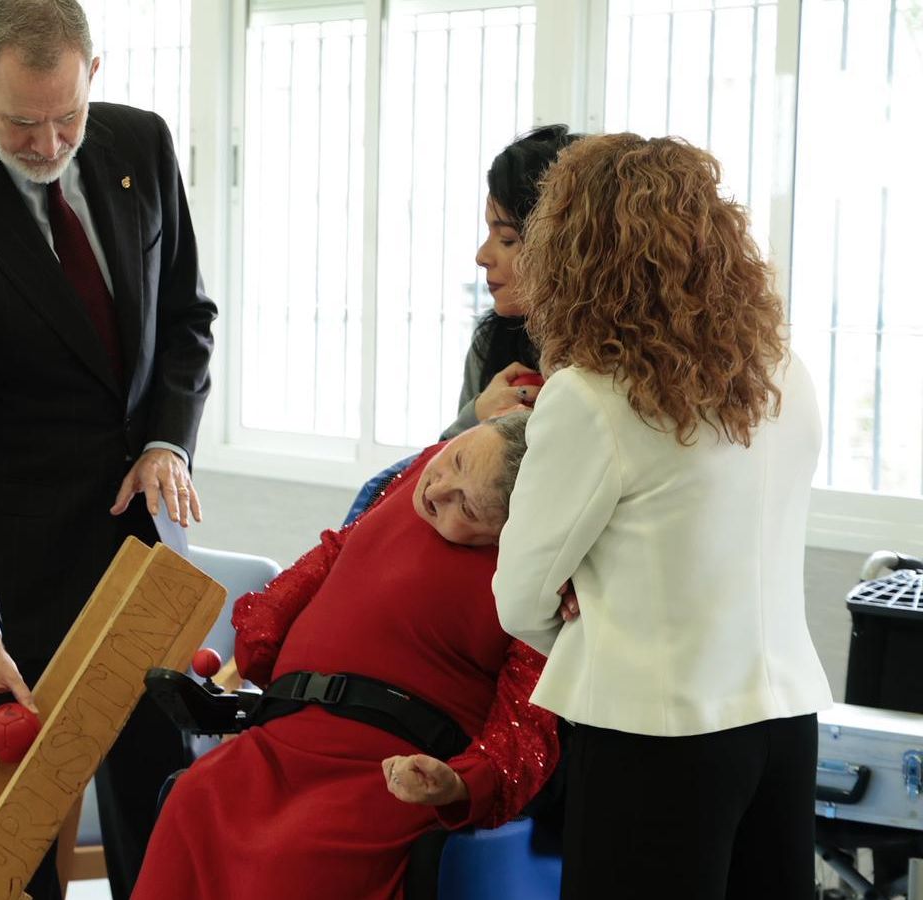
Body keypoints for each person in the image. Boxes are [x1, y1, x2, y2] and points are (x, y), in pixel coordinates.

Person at [0, 1, 216, 895]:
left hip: (141, 562)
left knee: (161, 824)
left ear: (92, 74)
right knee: (13, 860)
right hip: (15, 589)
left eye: (66, 116)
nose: (48, 144)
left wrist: (166, 440)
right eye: (21, 123)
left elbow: (188, 319)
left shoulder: (141, 147)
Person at [492, 134, 832, 900]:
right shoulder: (786, 375)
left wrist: (599, 614)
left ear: (579, 252)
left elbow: (518, 598)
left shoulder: (591, 396)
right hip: (784, 727)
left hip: (655, 735)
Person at [134, 414, 558, 899]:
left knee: (292, 861)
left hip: (379, 770)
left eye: (467, 507)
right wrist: (262, 639)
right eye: (456, 460)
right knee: (193, 799)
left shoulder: (538, 575)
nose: (439, 491)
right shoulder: (421, 470)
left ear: (511, 532)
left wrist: (462, 784)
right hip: (280, 735)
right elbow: (333, 553)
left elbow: (528, 726)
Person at [346, 126, 579, 524]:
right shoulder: (494, 339)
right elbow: (439, 476)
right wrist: (478, 414)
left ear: (562, 248)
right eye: (488, 233)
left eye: (507, 239)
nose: (482, 255)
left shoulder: (606, 365)